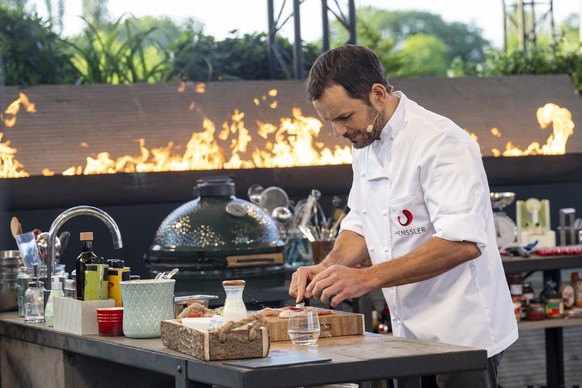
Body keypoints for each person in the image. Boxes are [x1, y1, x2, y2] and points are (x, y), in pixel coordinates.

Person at [289, 45, 518, 388]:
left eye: (344, 117)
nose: (338, 132)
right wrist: (327, 268)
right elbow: (361, 221)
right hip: (406, 337)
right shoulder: (365, 142)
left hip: (464, 335)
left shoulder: (441, 142)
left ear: (378, 95)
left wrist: (366, 279)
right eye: (330, 121)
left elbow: (463, 243)